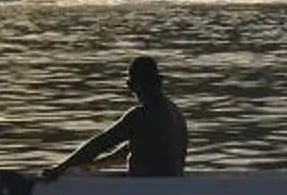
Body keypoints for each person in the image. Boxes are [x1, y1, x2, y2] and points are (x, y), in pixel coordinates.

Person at [43, 54, 188, 181]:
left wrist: (59, 169)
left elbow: (101, 143)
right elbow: (129, 151)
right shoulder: (176, 113)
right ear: (158, 83)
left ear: (132, 86)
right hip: (172, 186)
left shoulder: (140, 116)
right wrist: (92, 166)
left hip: (146, 190)